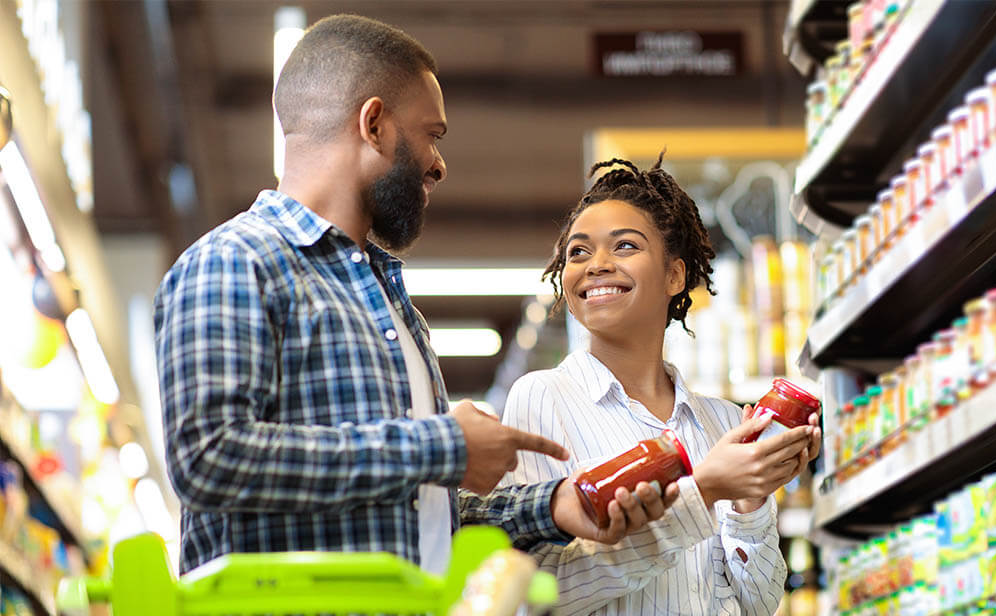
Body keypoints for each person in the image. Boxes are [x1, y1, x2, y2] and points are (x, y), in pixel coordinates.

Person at [153, 14, 673, 576]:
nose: (440, 164)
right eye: (432, 135)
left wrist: (554, 506)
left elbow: (420, 511)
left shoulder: (390, 304)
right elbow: (208, 458)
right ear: (374, 124)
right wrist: (442, 445)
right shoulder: (235, 262)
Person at [501, 155, 822, 616]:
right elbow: (547, 592)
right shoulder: (543, 397)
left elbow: (758, 608)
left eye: (624, 245)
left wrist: (751, 498)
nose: (595, 264)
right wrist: (706, 490)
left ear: (675, 276)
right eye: (578, 252)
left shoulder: (720, 421)